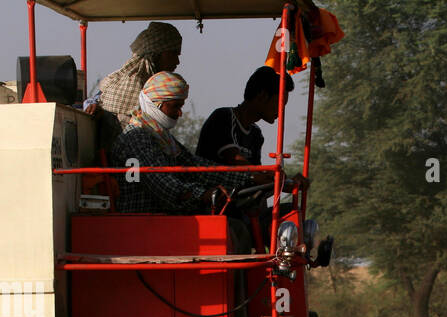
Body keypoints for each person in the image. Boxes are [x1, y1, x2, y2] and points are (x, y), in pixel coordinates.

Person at [110, 72, 252, 215]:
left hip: (165, 220)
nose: (180, 113)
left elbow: (194, 166)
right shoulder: (136, 137)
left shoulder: (163, 138)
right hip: (142, 222)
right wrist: (202, 195)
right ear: (156, 104)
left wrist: (247, 177)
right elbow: (161, 183)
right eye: (176, 106)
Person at [89, 21, 183, 150]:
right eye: (174, 54)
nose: (178, 61)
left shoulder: (136, 81)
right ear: (158, 53)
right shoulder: (136, 83)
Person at [197, 66, 294, 169]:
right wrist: (269, 175)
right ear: (262, 96)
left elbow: (257, 173)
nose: (281, 111)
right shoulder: (223, 117)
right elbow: (234, 159)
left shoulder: (256, 134)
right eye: (279, 104)